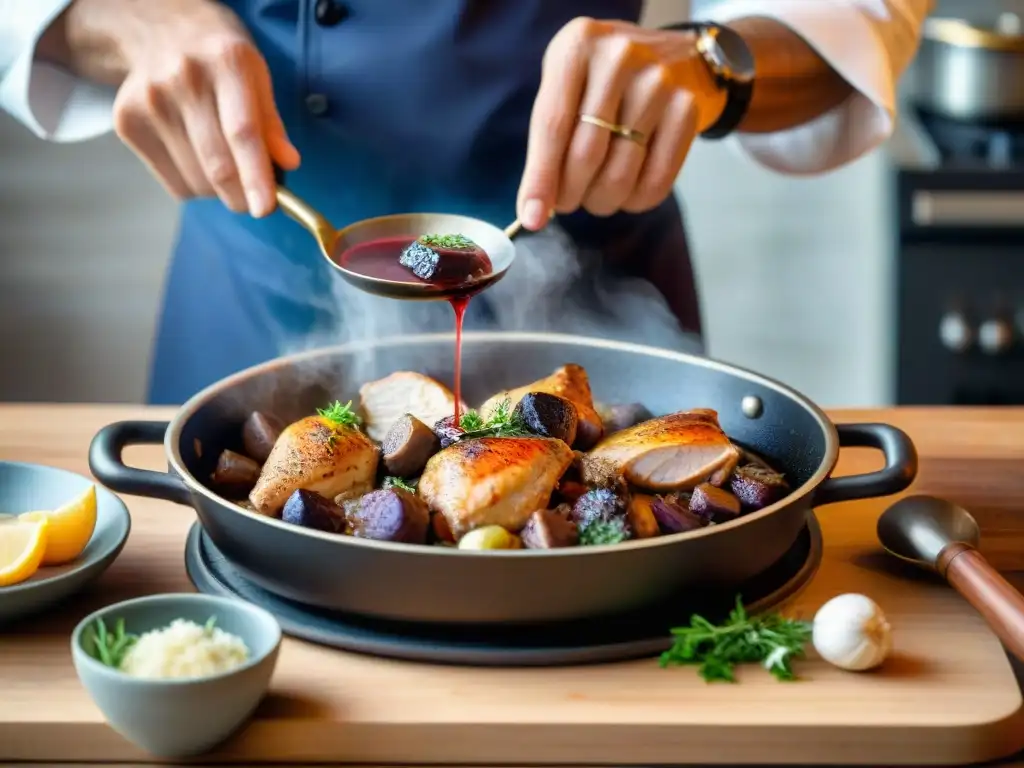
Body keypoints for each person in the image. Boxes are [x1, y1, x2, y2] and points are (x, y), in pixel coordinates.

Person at [1, 0, 933, 404]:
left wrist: (713, 65)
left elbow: (855, 19)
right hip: (253, 294)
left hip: (603, 315)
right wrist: (127, 18)